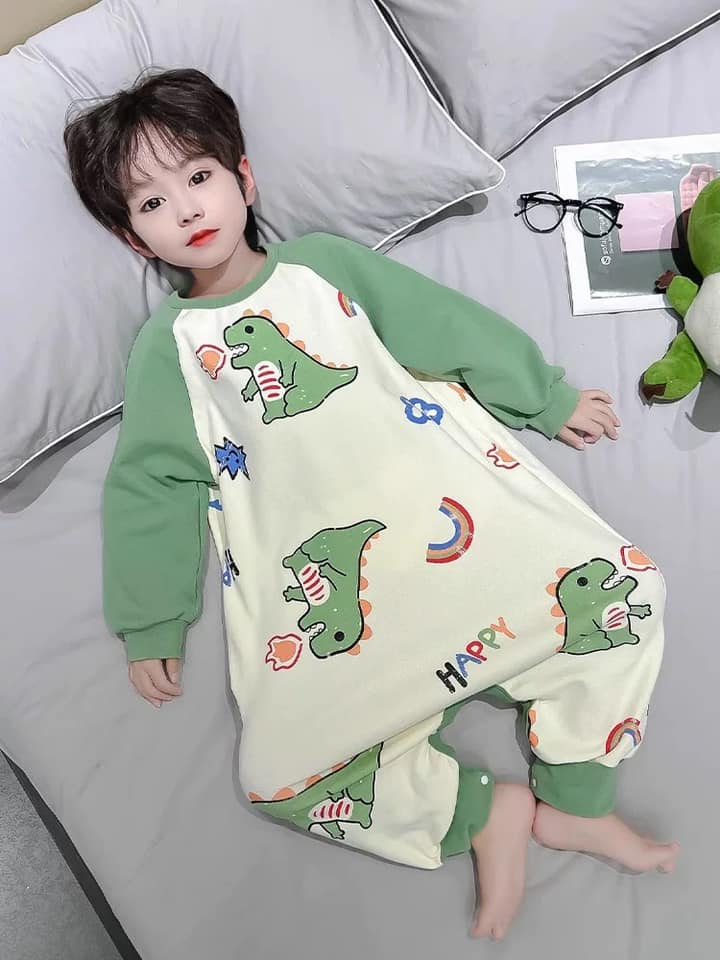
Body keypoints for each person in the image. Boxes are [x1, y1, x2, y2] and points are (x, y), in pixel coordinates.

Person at [63, 67, 679, 942]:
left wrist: (543, 397)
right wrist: (151, 619)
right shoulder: (171, 347)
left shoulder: (326, 267)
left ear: (244, 178)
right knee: (281, 777)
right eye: (153, 203)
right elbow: (154, 483)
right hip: (330, 587)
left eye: (198, 176)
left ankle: (578, 800)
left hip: (450, 525)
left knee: (627, 592)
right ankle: (483, 815)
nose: (187, 208)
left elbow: (445, 326)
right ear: (135, 238)